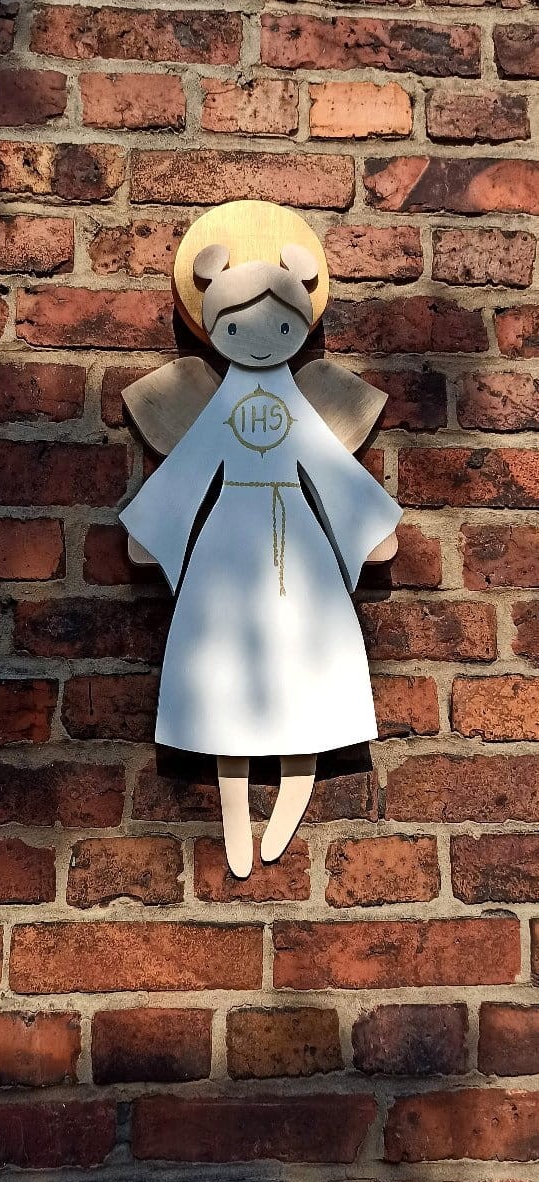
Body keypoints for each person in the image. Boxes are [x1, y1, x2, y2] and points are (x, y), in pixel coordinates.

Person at [119, 202, 401, 878]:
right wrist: (156, 529)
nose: (260, 339)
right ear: (214, 326)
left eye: (279, 325)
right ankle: (232, 808)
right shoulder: (222, 405)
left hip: (297, 546)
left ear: (299, 324)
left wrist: (367, 528)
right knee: (222, 668)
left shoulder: (297, 405)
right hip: (228, 549)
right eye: (238, 325)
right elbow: (192, 466)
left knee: (304, 661)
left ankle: (290, 799)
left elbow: (327, 465)